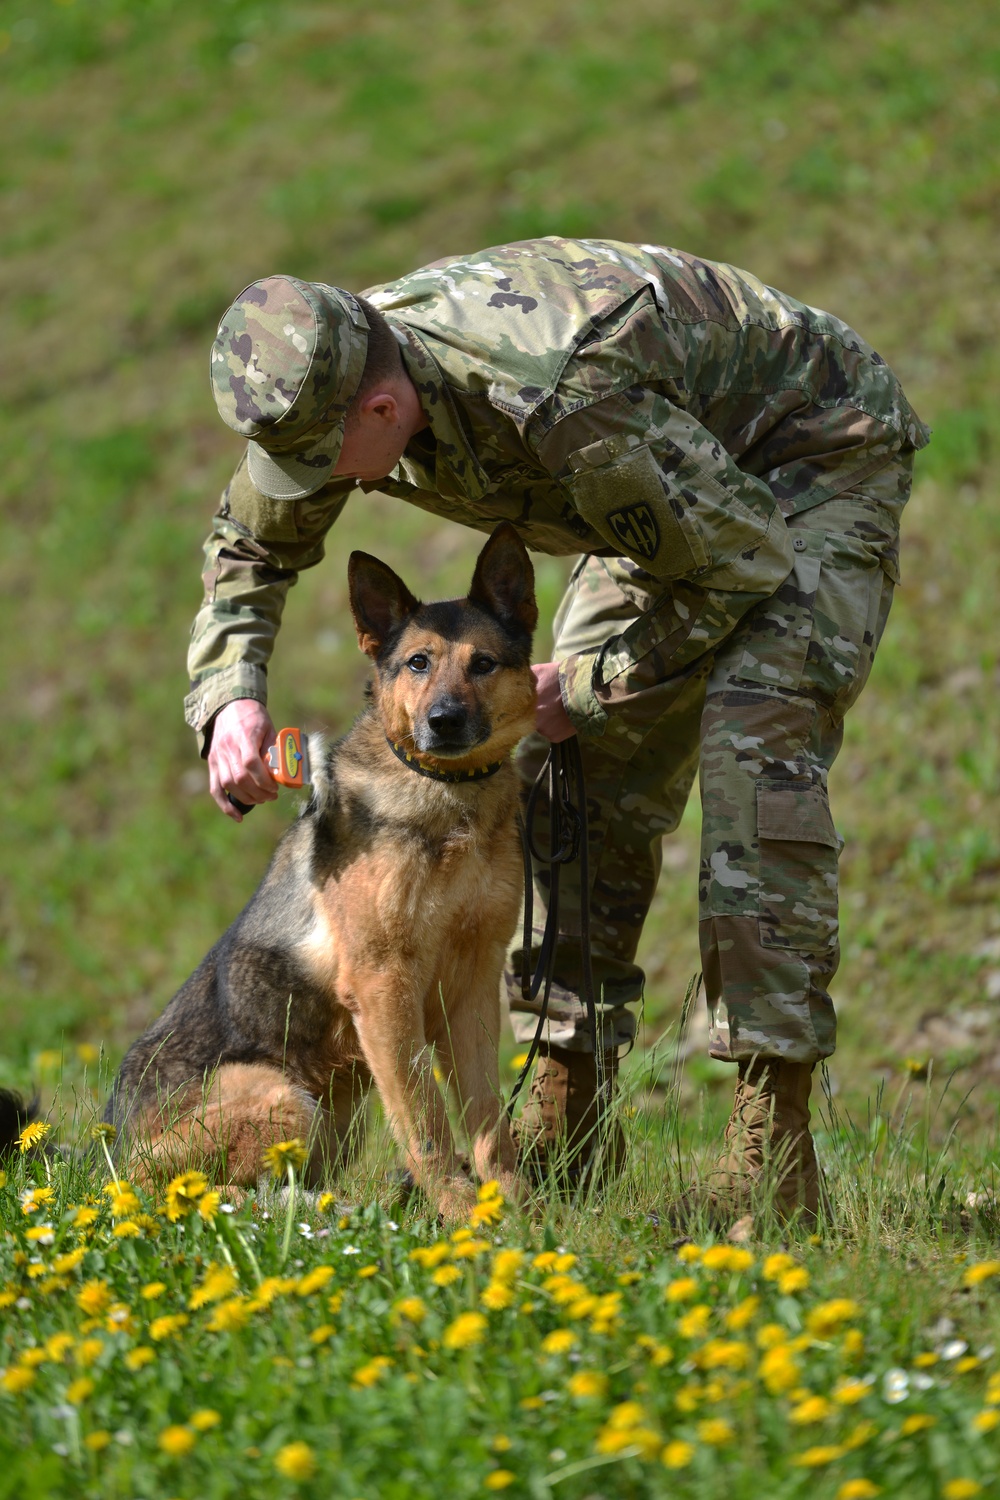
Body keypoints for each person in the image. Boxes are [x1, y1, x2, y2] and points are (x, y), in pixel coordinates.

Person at [187, 238, 929, 1225]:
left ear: (380, 411)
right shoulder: (313, 364)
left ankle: (773, 1144)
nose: (321, 490)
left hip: (802, 459)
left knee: (755, 755)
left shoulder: (558, 392)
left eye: (327, 467)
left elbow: (742, 560)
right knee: (555, 767)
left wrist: (585, 681)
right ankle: (563, 1102)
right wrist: (230, 693)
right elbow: (249, 544)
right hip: (656, 493)